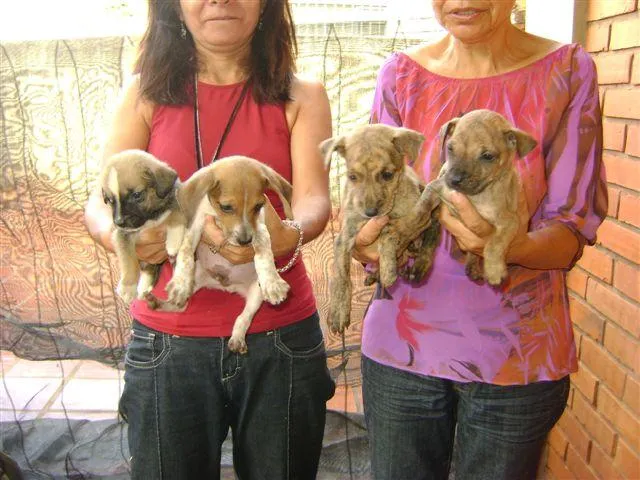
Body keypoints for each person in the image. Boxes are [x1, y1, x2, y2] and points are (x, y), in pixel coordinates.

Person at [354, 1, 607, 479]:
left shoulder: (568, 71)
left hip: (516, 356)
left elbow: (573, 227)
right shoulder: (401, 76)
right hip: (402, 347)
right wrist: (368, 243)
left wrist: (509, 248)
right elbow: (379, 196)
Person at [84, 0, 335, 478]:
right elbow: (99, 200)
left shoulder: (303, 95)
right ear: (172, 8)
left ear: (266, 6)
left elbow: (314, 201)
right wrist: (123, 239)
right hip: (168, 339)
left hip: (278, 336)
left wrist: (288, 234)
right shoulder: (143, 94)